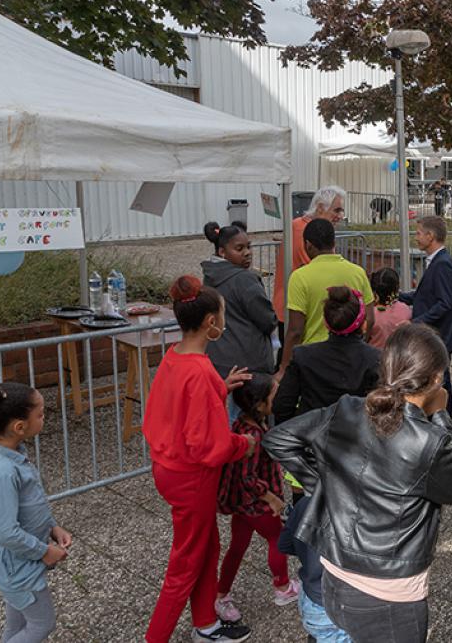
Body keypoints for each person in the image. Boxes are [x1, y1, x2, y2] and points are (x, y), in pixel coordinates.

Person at [263, 324, 452, 643]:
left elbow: (279, 438)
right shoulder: (429, 441)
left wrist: (322, 480)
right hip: (389, 596)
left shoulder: (348, 408)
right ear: (436, 379)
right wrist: (441, 417)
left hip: (334, 577)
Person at [143, 275, 255, 643]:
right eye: (221, 316)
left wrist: (221, 387)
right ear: (211, 323)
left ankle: (206, 623)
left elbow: (178, 407)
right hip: (193, 478)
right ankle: (155, 636)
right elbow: (210, 446)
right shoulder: (202, 371)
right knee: (185, 562)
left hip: (169, 467)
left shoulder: (175, 357)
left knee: (207, 546)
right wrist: (244, 444)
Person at [0, 381, 71, 643]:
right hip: (15, 566)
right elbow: (4, 530)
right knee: (42, 624)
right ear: (19, 427)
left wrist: (52, 527)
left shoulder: (11, 455)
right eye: (41, 414)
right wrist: (44, 551)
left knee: (18, 622)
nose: (44, 418)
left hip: (13, 561)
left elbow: (29, 505)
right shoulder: (3, 472)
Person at [215, 374, 298, 625]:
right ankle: (283, 588)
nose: (278, 398)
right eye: (273, 396)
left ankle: (221, 594)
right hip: (256, 503)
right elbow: (247, 476)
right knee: (277, 538)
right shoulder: (254, 434)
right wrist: (271, 497)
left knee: (237, 547)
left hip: (242, 504)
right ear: (259, 405)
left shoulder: (245, 424)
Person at [202, 221, 278, 421]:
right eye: (239, 248)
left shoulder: (210, 276)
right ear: (222, 252)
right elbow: (267, 319)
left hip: (222, 359)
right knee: (249, 421)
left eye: (249, 247)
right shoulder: (244, 279)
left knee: (230, 419)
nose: (247, 253)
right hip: (248, 363)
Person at [278, 219, 374, 375]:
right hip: (351, 358)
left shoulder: (299, 277)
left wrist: (283, 368)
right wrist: (360, 345)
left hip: (313, 360)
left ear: (308, 244)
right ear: (333, 242)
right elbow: (370, 319)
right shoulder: (358, 272)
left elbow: (296, 330)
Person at [275, 285, 382, 424]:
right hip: (357, 440)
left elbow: (282, 405)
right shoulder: (375, 359)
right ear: (363, 323)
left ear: (326, 323)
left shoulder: (302, 356)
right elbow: (382, 411)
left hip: (311, 437)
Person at [272, 186, 347, 359]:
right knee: (294, 358)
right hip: (296, 308)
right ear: (320, 207)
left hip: (302, 305)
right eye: (337, 210)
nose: (340, 215)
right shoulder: (301, 230)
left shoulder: (305, 227)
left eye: (341, 210)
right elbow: (319, 266)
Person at [399, 216, 452, 412]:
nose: (415, 238)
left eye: (418, 233)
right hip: (436, 333)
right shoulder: (437, 261)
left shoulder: (442, 264)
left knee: (440, 379)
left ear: (431, 235)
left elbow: (443, 303)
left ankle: (444, 416)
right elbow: (425, 296)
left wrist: (415, 323)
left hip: (441, 333)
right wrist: (399, 297)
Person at [278, 495, 350, 643]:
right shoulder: (372, 517)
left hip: (313, 599)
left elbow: (284, 544)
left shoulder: (308, 502)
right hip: (347, 605)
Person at [368, 267, 412, 349]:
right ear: (396, 288)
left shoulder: (371, 314)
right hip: (398, 358)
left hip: (375, 358)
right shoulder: (406, 310)